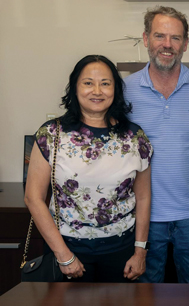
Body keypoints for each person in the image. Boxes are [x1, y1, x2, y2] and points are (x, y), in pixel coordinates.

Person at [24, 55, 152, 282]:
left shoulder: (134, 137)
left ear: (116, 89)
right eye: (88, 83)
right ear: (75, 88)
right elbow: (34, 198)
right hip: (67, 249)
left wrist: (140, 251)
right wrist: (64, 256)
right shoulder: (51, 134)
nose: (97, 91)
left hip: (121, 251)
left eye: (105, 83)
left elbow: (143, 197)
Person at [124, 6, 189, 283]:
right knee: (142, 296)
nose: (167, 44)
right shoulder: (123, 90)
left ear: (185, 44)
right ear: (146, 39)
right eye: (159, 36)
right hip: (142, 216)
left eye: (175, 38)